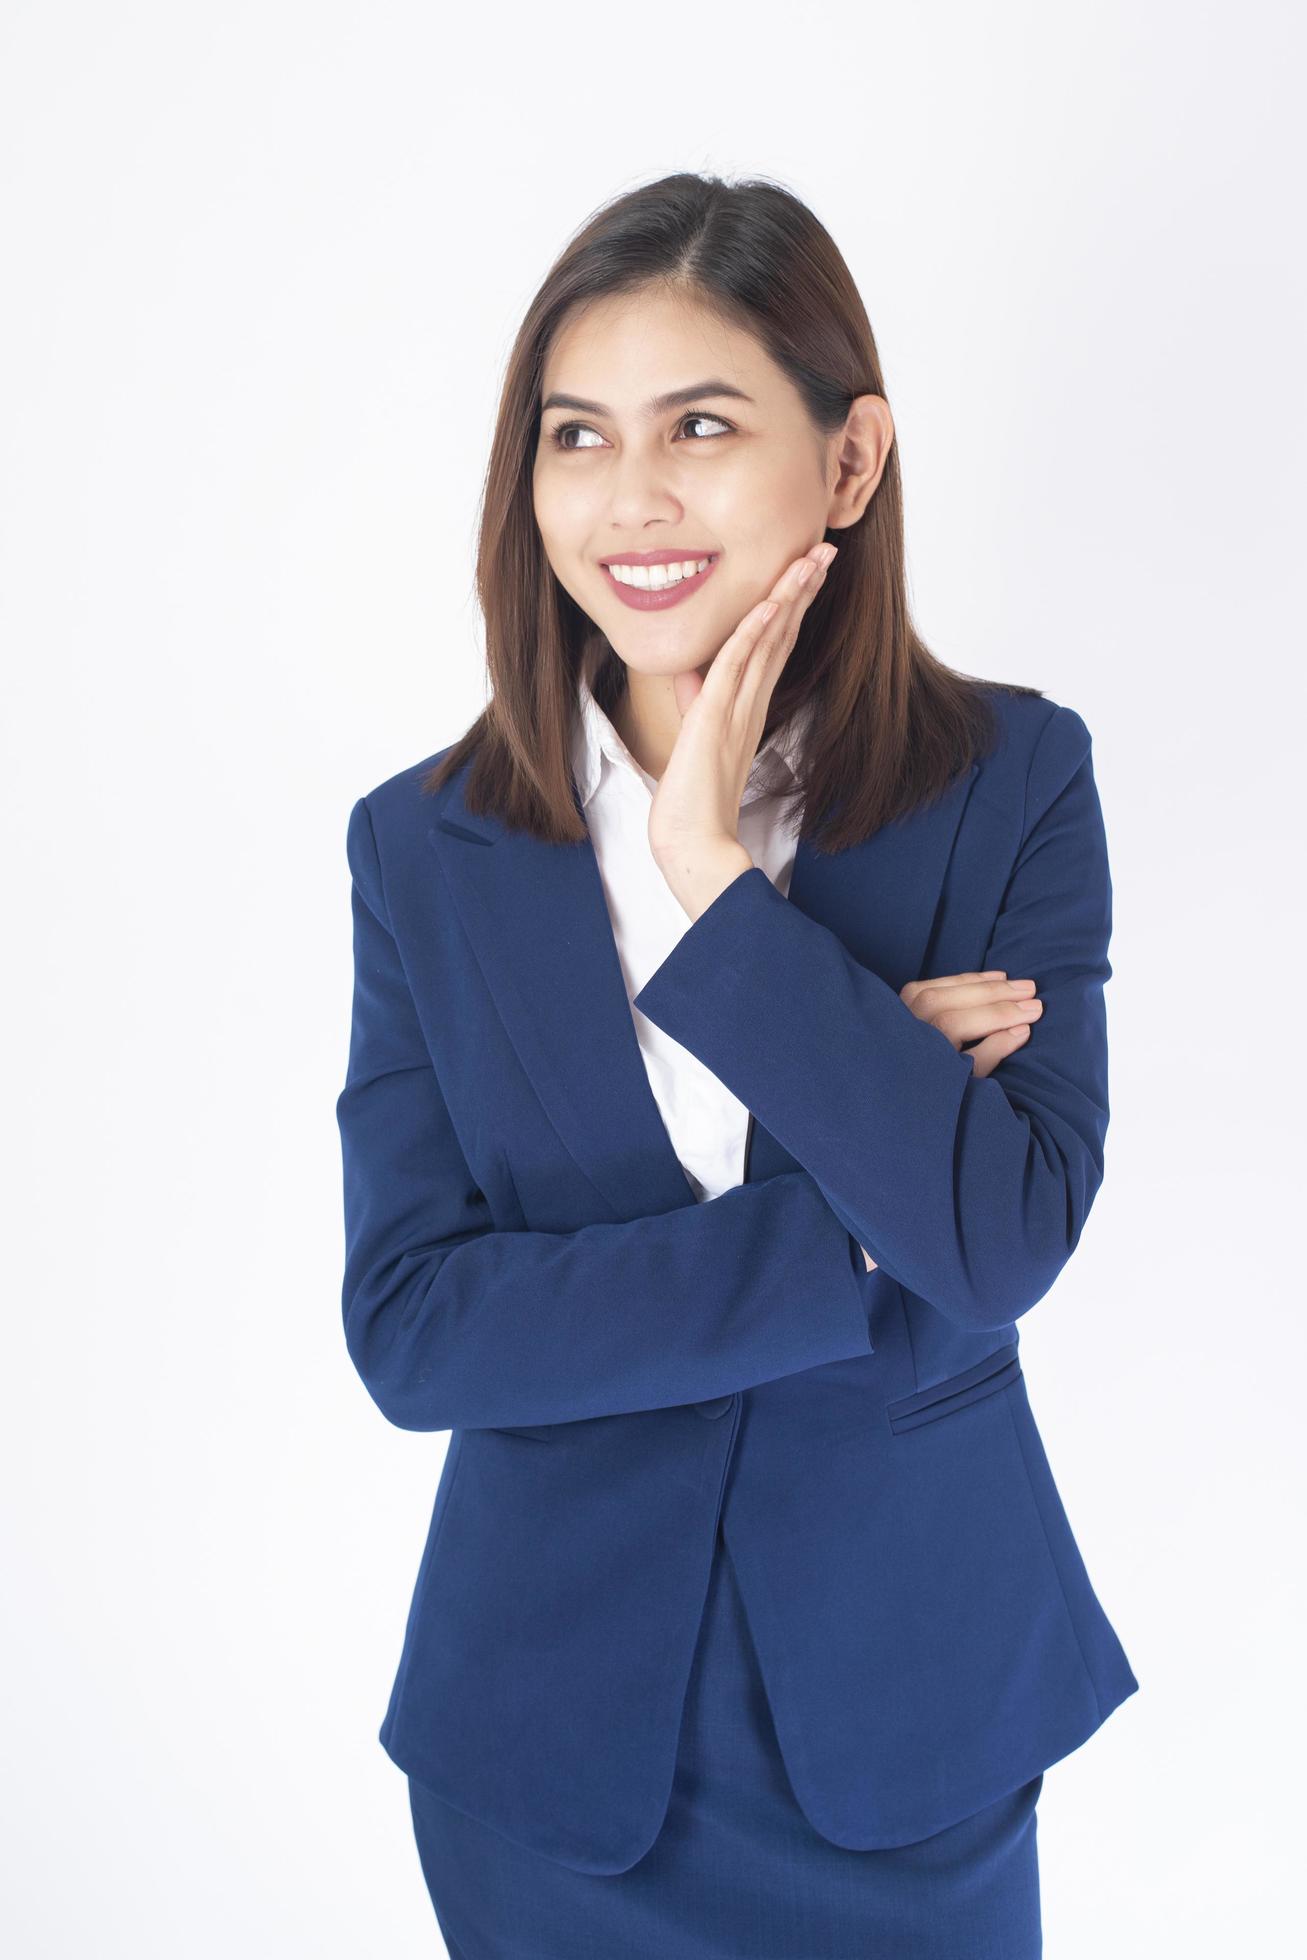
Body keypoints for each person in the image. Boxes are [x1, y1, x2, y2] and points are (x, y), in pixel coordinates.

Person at [335, 171, 1138, 1958]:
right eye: (576, 437)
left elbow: (1004, 1243)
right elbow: (414, 1326)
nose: (633, 501)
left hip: (909, 1716)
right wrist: (852, 1221)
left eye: (702, 424)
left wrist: (719, 901)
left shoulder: (1010, 783)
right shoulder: (426, 850)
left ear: (850, 463)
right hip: (545, 1748)